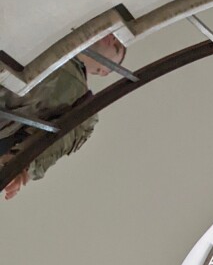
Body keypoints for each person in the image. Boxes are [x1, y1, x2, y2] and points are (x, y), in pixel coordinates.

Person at [1, 34, 126, 199]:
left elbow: (60, 140)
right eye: (114, 38)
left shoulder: (84, 104)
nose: (112, 37)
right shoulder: (48, 34)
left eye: (116, 47)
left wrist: (22, 167)